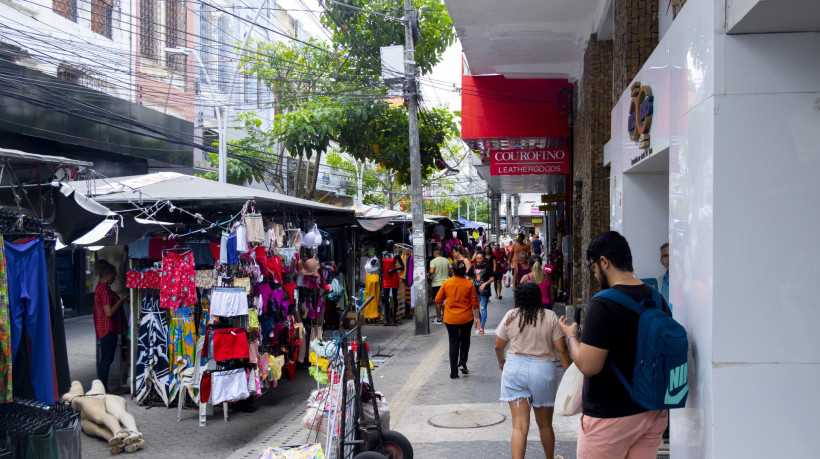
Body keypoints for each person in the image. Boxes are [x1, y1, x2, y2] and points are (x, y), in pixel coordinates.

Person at [557, 231, 671, 459]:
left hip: (610, 417)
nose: (595, 274)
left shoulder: (603, 303)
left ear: (604, 262)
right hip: (652, 412)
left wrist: (571, 336)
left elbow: (589, 366)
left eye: (594, 268)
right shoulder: (656, 299)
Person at [495, 282, 570, 459]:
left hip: (514, 370)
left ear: (517, 298)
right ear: (538, 297)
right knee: (545, 424)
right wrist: (570, 375)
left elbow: (498, 345)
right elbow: (562, 350)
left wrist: (501, 361)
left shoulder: (511, 316)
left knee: (519, 426)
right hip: (543, 372)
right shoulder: (550, 316)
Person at [435, 260, 480, 379]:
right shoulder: (469, 284)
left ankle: (453, 373)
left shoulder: (446, 283)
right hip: (466, 318)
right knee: (465, 340)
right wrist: (478, 318)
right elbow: (475, 303)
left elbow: (438, 300)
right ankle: (462, 363)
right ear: (465, 270)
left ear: (453, 270)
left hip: (450, 319)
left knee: (453, 343)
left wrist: (447, 305)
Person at [94, 261, 127, 392]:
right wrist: (121, 300)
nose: (114, 279)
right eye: (113, 276)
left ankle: (102, 387)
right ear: (107, 275)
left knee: (106, 358)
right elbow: (109, 312)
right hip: (107, 329)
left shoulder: (102, 289)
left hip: (105, 329)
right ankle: (103, 388)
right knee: (106, 359)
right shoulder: (104, 290)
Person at [467, 253, 494, 334]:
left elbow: (492, 278)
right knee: (476, 308)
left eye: (480, 258)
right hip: (474, 290)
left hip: (485, 290)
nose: (478, 260)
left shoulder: (488, 266)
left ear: (483, 258)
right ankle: (479, 322)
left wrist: (485, 284)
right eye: (477, 258)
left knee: (483, 308)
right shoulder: (473, 267)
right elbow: (468, 277)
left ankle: (482, 327)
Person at [428, 248, 451, 324]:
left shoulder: (433, 261)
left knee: (438, 301)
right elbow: (451, 270)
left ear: (435, 253)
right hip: (445, 283)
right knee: (444, 301)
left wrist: (428, 274)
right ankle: (445, 317)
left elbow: (431, 271)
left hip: (436, 284)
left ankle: (438, 319)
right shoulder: (446, 260)